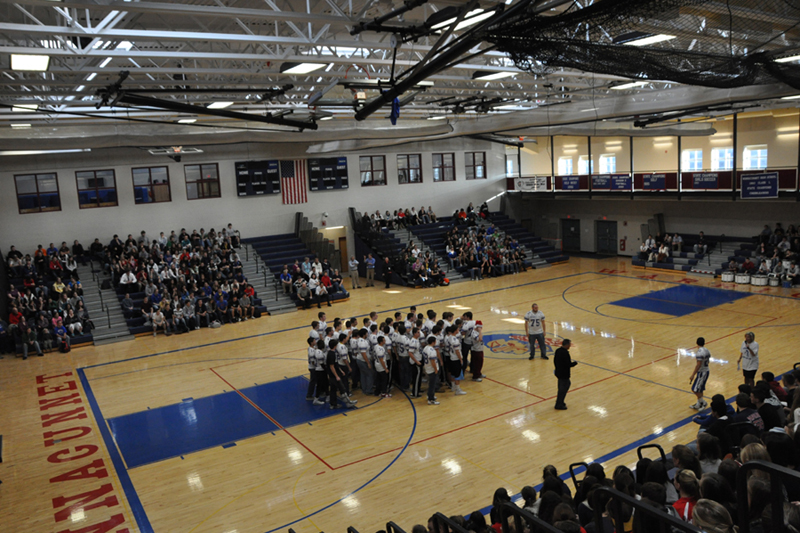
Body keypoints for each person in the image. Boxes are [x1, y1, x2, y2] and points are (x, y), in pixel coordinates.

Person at [553, 338, 577, 410]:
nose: (570, 346)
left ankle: (560, 401)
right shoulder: (565, 353)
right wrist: (574, 363)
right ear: (566, 345)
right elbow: (568, 364)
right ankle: (559, 404)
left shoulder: (558, 350)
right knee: (563, 388)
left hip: (558, 372)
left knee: (562, 387)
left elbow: (555, 361)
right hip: (564, 374)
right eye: (569, 344)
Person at [689, 337, 710, 410]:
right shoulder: (707, 350)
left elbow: (698, 365)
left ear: (697, 343)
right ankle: (698, 404)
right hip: (705, 370)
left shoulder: (699, 352)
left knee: (695, 389)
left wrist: (692, 375)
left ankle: (703, 402)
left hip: (702, 372)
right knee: (699, 389)